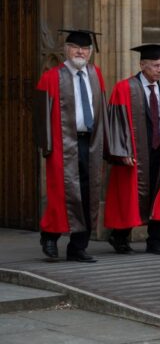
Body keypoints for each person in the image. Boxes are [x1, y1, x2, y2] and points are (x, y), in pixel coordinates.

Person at [34, 29, 107, 263]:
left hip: (91, 142)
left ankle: (78, 247)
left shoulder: (96, 75)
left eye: (85, 48)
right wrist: (46, 147)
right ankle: (50, 237)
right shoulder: (51, 77)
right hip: (62, 144)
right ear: (66, 49)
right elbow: (41, 115)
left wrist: (106, 143)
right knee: (61, 194)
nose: (80, 52)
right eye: (76, 47)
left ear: (90, 52)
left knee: (88, 193)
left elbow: (102, 112)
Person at [104, 44, 160, 255]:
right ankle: (120, 237)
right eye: (155, 65)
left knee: (159, 195)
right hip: (134, 152)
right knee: (130, 195)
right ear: (143, 65)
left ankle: (155, 241)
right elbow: (115, 123)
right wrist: (122, 151)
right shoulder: (124, 88)